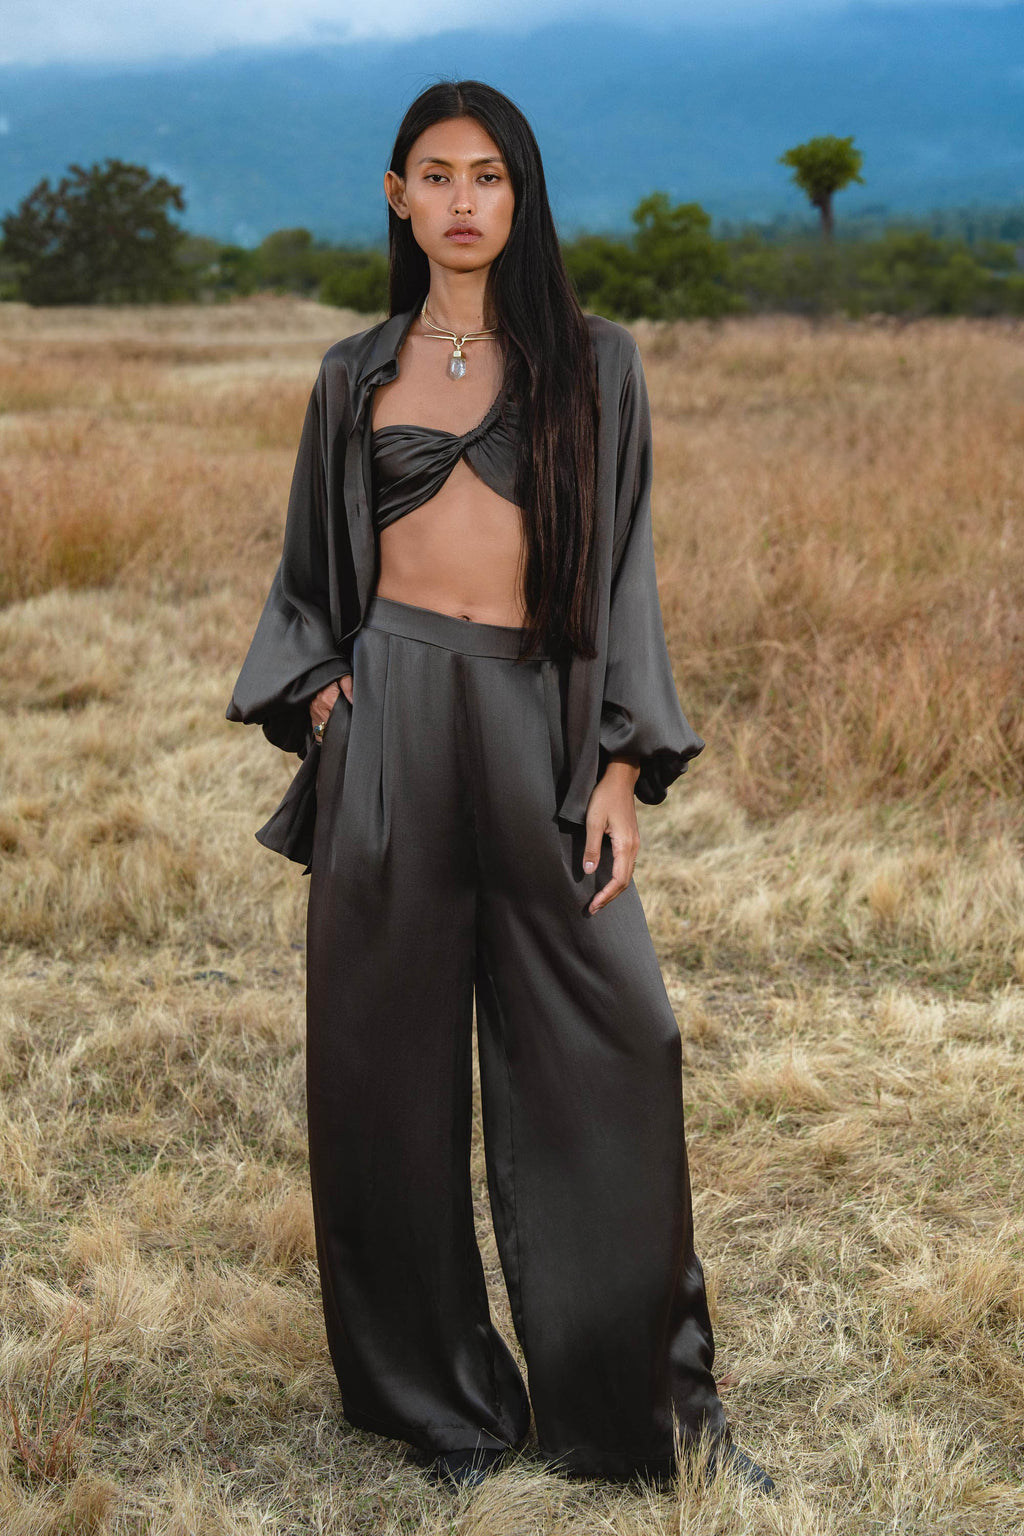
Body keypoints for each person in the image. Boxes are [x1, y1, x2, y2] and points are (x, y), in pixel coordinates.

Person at [226, 79, 775, 1497]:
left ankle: (643, 1407)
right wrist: (323, 681)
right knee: (380, 1069)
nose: (463, 198)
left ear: (520, 199)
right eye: (436, 174)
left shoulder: (596, 363)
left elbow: (626, 572)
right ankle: (441, 1407)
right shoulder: (355, 372)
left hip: (540, 719)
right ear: (397, 197)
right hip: (392, 725)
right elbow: (307, 572)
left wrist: (619, 763)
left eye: (490, 174)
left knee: (619, 1043)